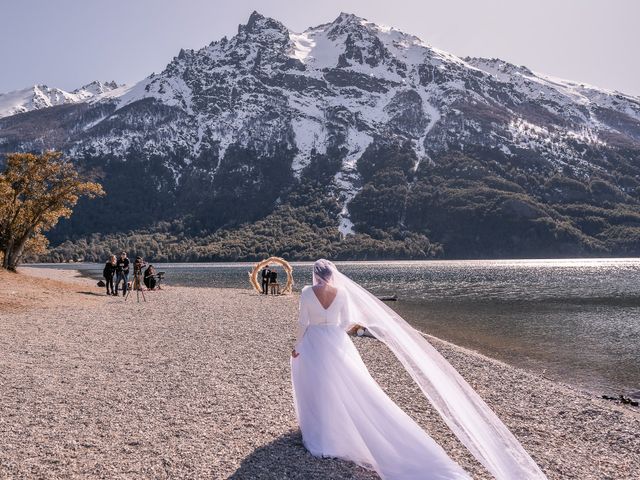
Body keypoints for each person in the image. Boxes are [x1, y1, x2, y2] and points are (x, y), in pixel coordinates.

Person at [290, 260, 547, 480]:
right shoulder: (343, 293)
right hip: (337, 342)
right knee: (354, 389)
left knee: (318, 386)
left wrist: (298, 345)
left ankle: (322, 437)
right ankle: (339, 434)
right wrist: (335, 333)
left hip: (314, 342)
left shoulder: (306, 292)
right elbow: (347, 322)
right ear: (332, 274)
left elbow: (303, 322)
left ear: (315, 274)